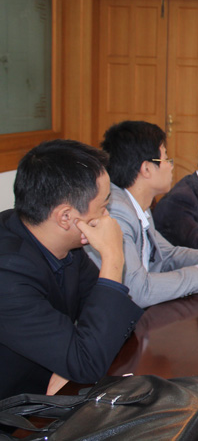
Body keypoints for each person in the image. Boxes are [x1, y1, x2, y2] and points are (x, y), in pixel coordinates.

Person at [0, 140, 143, 399]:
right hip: (14, 411)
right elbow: (88, 361)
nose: (108, 219)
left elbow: (112, 322)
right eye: (103, 207)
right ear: (66, 217)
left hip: (49, 391)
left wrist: (73, 360)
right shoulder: (7, 275)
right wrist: (113, 256)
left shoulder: (65, 244)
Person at [86, 121, 198, 308]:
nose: (171, 166)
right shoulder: (116, 213)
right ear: (146, 169)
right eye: (166, 160)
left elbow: (168, 255)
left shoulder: (139, 206)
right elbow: (138, 290)